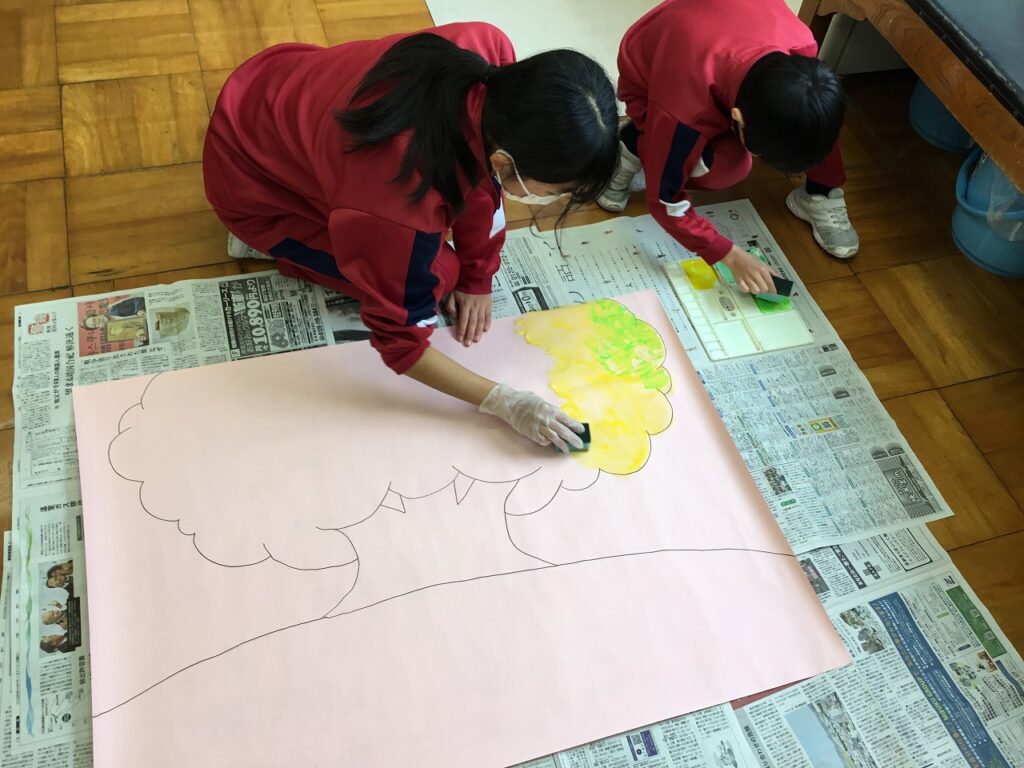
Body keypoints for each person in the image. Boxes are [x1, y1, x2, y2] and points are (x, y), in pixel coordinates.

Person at [203, 23, 619, 452]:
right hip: (253, 186)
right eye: (556, 191)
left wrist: (479, 277)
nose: (555, 199)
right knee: (441, 271)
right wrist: (505, 402)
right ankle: (263, 240)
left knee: (449, 262)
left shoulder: (489, 54)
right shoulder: (396, 205)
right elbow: (401, 343)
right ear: (503, 161)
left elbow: (483, 188)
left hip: (270, 84)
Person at [599, 0, 858, 294]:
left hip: (717, 34)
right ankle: (634, 141)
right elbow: (665, 201)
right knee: (726, 168)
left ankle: (819, 194)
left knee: (814, 115)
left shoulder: (803, 49)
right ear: (737, 117)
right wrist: (728, 254)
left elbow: (816, 117)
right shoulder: (682, 111)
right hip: (651, 71)